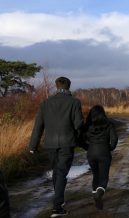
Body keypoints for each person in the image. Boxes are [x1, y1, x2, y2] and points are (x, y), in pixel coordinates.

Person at [29, 77, 84, 217]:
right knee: (60, 173)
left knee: (57, 172)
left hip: (50, 144)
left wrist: (32, 146)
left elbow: (38, 126)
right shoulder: (74, 102)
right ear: (69, 87)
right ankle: (57, 207)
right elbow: (79, 125)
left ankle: (59, 200)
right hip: (67, 143)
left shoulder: (45, 103)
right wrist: (79, 139)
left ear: (56, 86)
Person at [79, 105, 118, 210]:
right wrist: (110, 148)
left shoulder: (87, 125)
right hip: (104, 152)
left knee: (95, 175)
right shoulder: (108, 124)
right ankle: (99, 194)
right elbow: (114, 139)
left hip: (91, 153)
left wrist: (87, 147)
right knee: (104, 178)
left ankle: (97, 201)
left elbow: (80, 139)